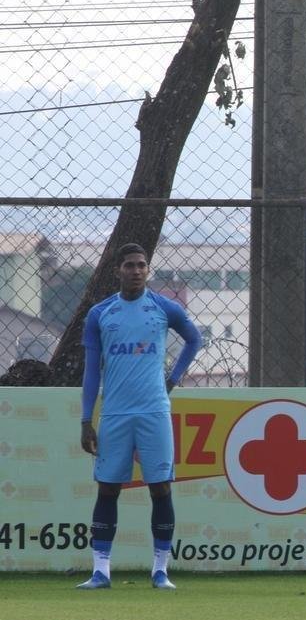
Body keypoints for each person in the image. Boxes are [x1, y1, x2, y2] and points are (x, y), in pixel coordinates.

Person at [77, 242, 202, 590]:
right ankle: (101, 571)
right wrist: (87, 419)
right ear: (118, 270)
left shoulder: (163, 308)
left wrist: (173, 379)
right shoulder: (101, 314)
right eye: (130, 265)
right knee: (108, 488)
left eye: (142, 265)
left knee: (160, 488)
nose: (136, 271)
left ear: (149, 270)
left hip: (154, 411)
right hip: (115, 413)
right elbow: (91, 371)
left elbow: (194, 339)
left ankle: (160, 570)